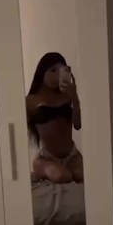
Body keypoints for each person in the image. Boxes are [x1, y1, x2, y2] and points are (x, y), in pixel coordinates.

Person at [26, 52, 83, 184]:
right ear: (42, 73)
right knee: (62, 177)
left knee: (80, 174)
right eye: (53, 70)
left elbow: (78, 125)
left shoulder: (67, 95)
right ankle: (43, 170)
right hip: (46, 157)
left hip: (72, 154)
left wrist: (74, 98)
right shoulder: (30, 100)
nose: (57, 75)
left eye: (61, 70)